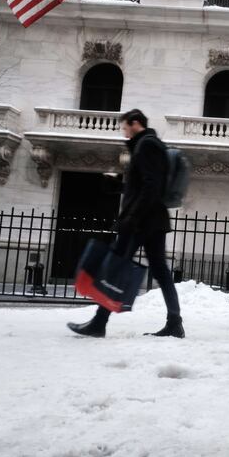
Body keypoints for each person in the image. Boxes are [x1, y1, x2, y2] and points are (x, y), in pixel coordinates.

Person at [67, 109, 183, 339]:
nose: (125, 133)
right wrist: (119, 185)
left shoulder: (147, 145)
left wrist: (132, 217)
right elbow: (144, 185)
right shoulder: (148, 145)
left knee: (116, 267)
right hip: (153, 219)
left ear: (135, 123)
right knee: (159, 270)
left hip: (142, 221)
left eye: (125, 127)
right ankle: (174, 322)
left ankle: (99, 323)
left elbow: (151, 186)